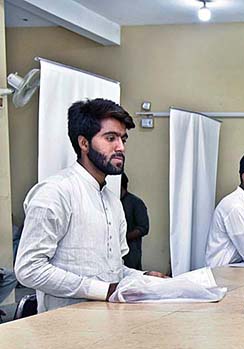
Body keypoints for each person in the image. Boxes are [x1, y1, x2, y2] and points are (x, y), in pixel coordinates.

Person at [15, 98, 167, 313]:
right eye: (110, 138)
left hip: (110, 325)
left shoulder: (113, 201)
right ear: (84, 143)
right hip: (63, 332)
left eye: (123, 139)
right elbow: (29, 269)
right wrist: (102, 290)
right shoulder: (54, 192)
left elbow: (111, 272)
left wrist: (144, 278)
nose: (120, 147)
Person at [119, 172, 149, 270]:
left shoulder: (136, 202)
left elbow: (143, 228)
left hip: (131, 253)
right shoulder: (111, 202)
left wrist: (123, 237)